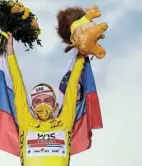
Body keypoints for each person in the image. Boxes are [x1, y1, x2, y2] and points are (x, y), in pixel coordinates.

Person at [6, 31, 86, 166]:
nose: (42, 105)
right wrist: (10, 51)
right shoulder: (26, 121)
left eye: (47, 100)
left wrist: (81, 55)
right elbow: (18, 86)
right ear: (31, 107)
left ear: (55, 106)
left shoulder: (65, 121)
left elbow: (72, 87)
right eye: (37, 101)